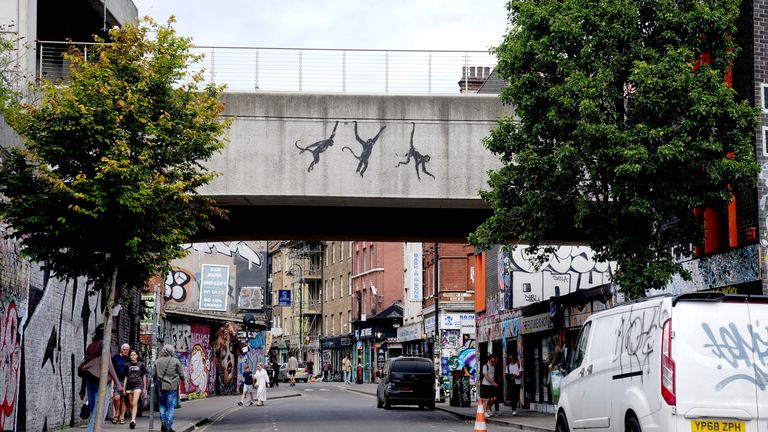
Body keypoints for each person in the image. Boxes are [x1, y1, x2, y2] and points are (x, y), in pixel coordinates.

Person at [78, 324, 123, 432]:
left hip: (90, 381)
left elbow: (87, 367)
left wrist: (82, 389)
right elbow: (109, 364)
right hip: (103, 382)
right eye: (110, 333)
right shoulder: (105, 344)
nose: (112, 336)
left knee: (95, 411)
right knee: (100, 412)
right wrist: (117, 383)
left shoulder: (91, 346)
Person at [154, 344, 186, 432]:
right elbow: (181, 375)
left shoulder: (157, 361)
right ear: (172, 351)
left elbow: (154, 375)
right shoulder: (176, 361)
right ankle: (168, 426)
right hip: (172, 387)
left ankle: (163, 421)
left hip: (161, 387)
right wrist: (185, 384)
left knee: (162, 405)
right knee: (170, 406)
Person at [123, 350, 147, 429]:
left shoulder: (141, 364)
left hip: (138, 385)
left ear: (137, 356)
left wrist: (144, 388)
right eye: (131, 355)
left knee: (134, 402)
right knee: (130, 403)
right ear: (130, 357)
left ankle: (133, 420)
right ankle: (133, 420)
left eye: (134, 355)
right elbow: (126, 377)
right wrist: (124, 388)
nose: (133, 356)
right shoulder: (127, 365)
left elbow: (144, 376)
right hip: (129, 386)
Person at [111, 343, 130, 424]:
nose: (125, 351)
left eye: (127, 350)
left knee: (124, 400)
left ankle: (121, 417)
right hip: (116, 380)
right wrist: (111, 386)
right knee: (116, 398)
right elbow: (112, 370)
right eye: (124, 349)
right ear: (121, 350)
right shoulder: (115, 357)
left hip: (127, 381)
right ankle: (116, 413)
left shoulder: (129, 358)